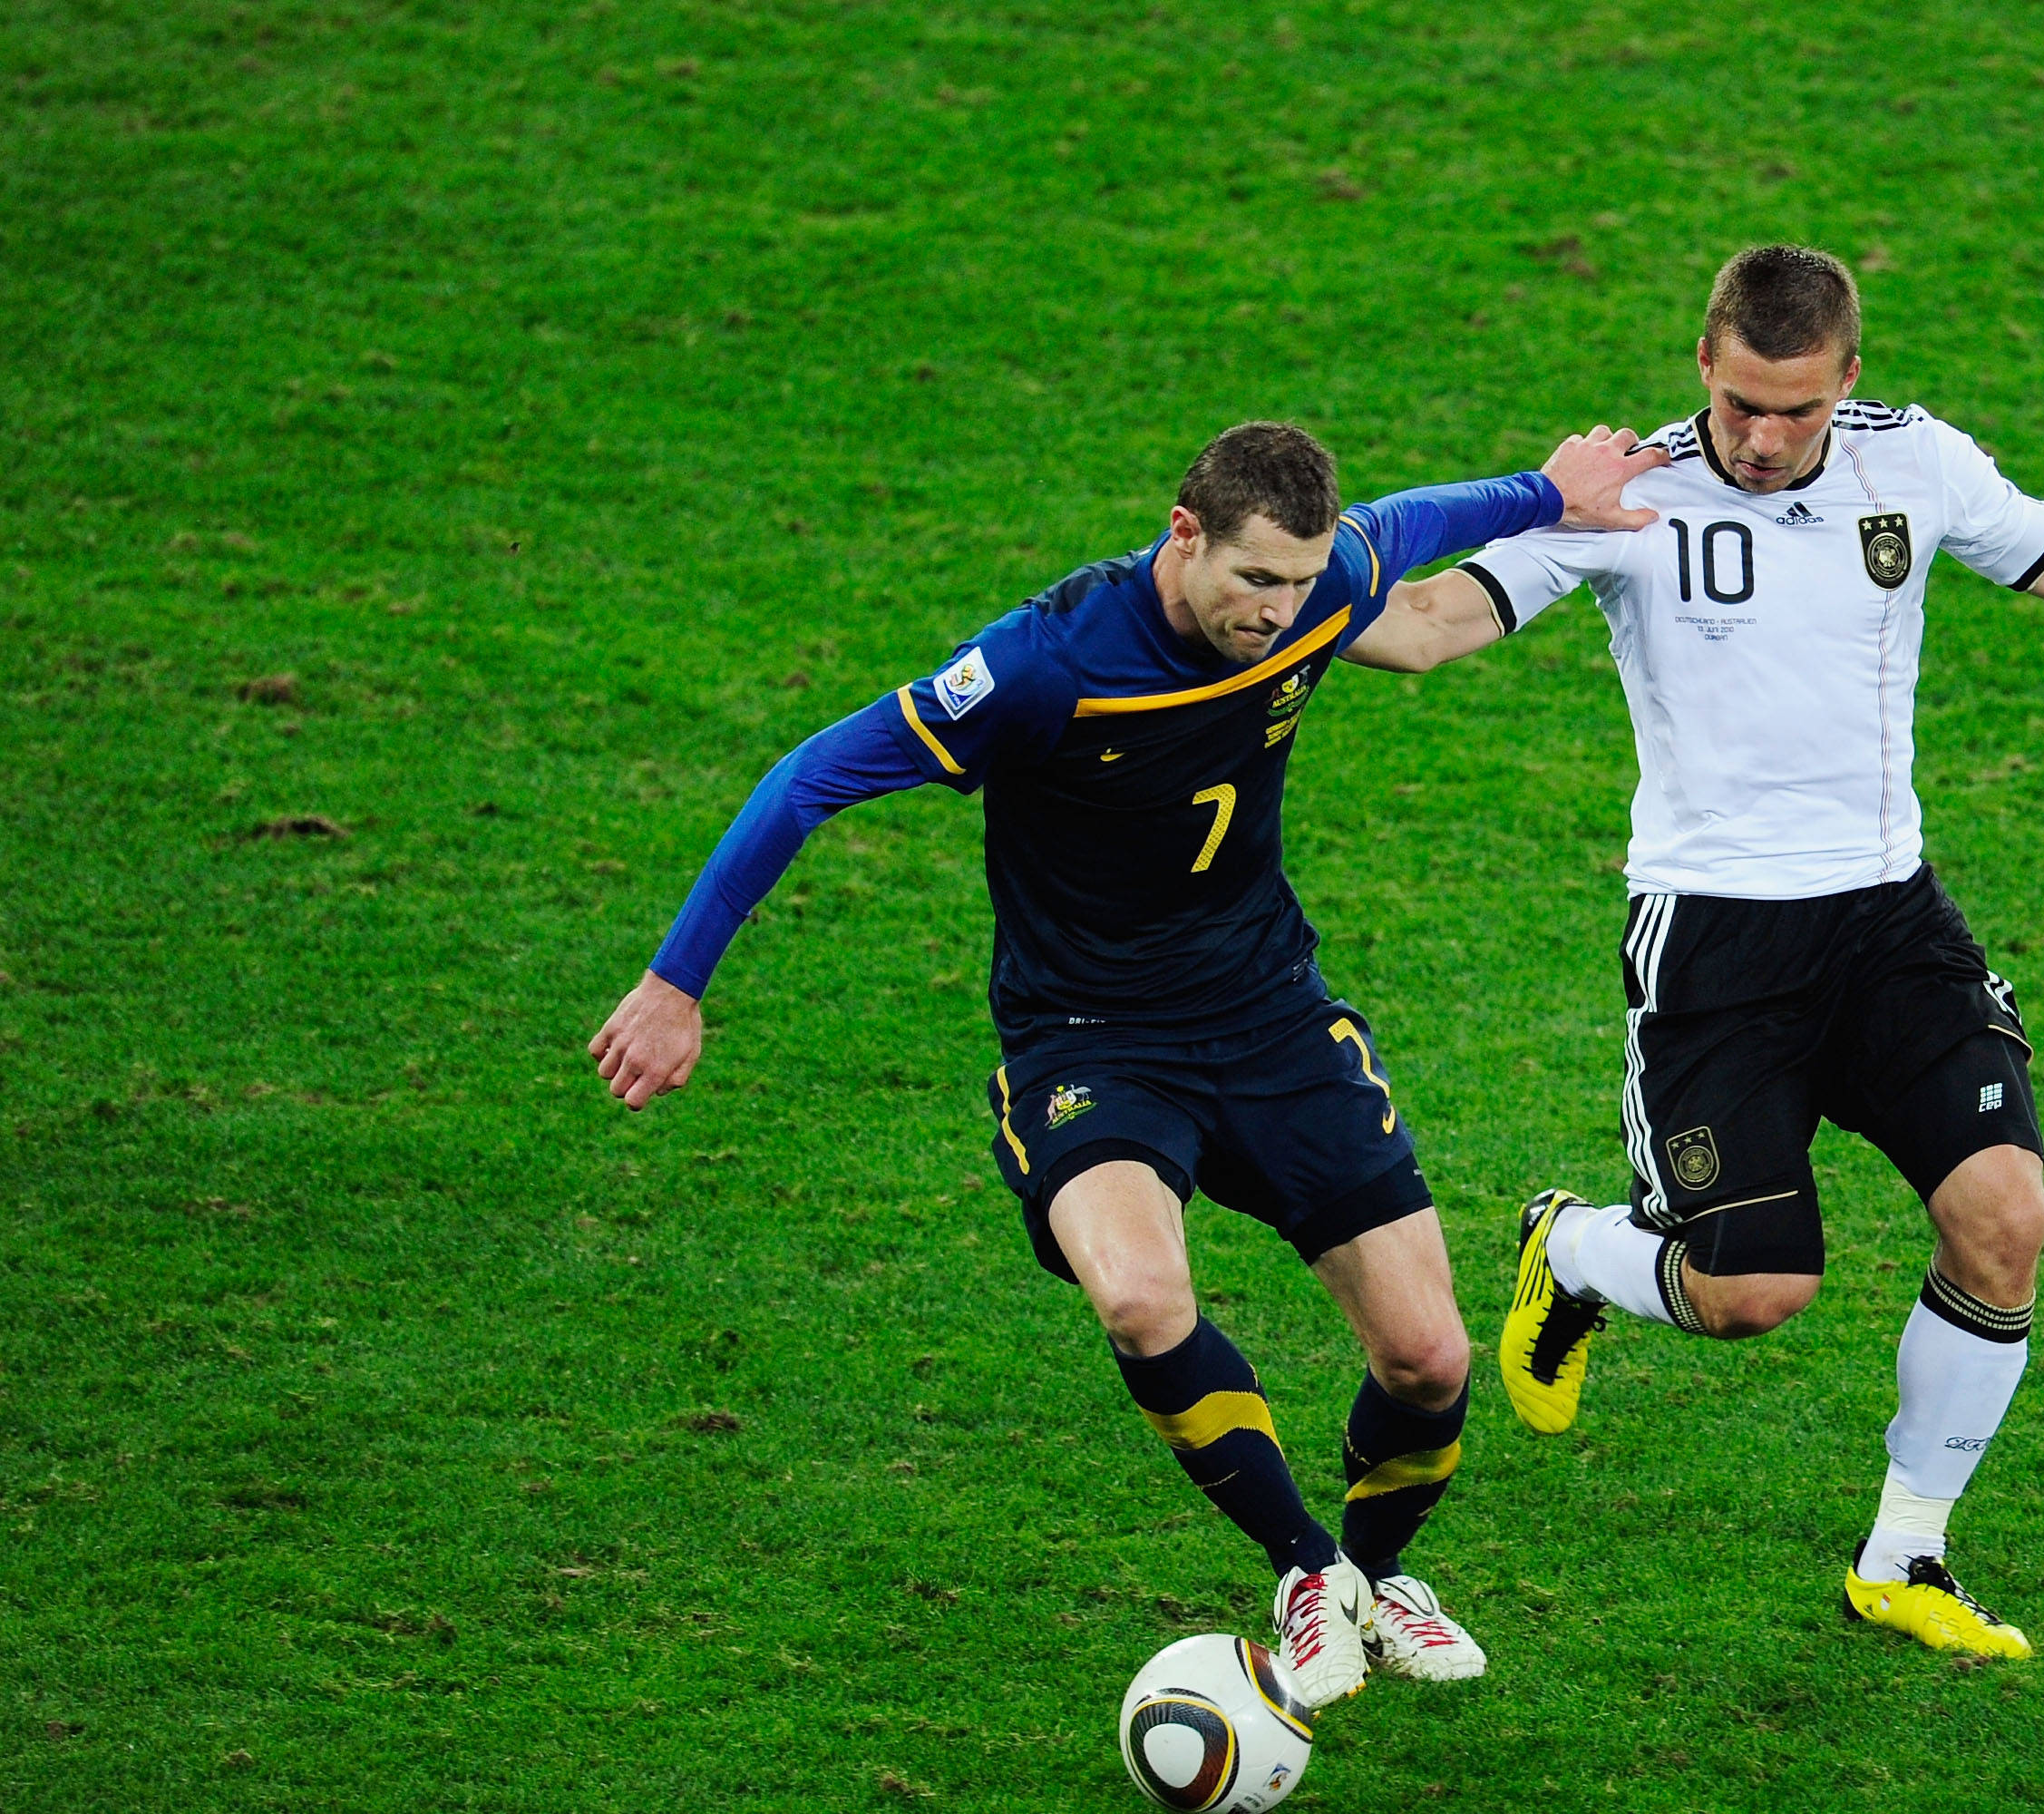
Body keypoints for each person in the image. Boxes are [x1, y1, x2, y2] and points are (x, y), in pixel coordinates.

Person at [1351, 247, 2044, 1658]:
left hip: (1890, 921)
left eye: (1797, 411)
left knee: (2006, 1219)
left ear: (1848, 378)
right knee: (1753, 1295)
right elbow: (1421, 631)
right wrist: (1284, 591)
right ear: (1702, 362)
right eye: (1739, 406)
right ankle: (1579, 1253)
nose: (1766, 441)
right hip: (1717, 942)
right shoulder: (1625, 494)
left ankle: (1907, 1554)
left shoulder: (1915, 463)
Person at [588, 420, 1665, 1707]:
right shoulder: (1050, 664)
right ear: (1184, 535)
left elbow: (1419, 521)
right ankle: (1307, 1565)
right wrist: (674, 983)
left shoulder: (1328, 578)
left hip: (1271, 1017)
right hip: (1090, 1042)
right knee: (1143, 1301)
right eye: (1253, 581)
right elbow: (813, 777)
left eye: (1302, 582)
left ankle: (1370, 1585)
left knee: (1430, 1358)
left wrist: (1550, 491)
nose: (1279, 611)